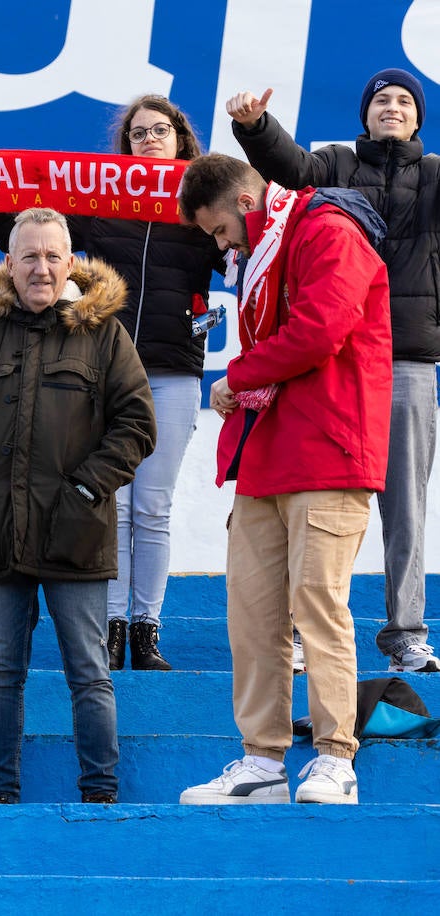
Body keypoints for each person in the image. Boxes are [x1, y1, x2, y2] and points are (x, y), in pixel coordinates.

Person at [0, 95, 223, 671]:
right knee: (113, 502)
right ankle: (114, 625)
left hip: (174, 370)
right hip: (103, 367)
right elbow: (39, 249)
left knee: (152, 505)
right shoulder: (101, 199)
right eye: (138, 132)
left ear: (181, 138)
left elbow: (245, 244)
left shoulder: (201, 206)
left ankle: (146, 627)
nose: (149, 140)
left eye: (161, 130)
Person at [177, 153, 390, 805]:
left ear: (244, 204)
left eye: (217, 231)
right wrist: (245, 384)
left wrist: (237, 376)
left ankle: (335, 759)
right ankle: (262, 760)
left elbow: (322, 329)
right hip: (270, 451)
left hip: (330, 444)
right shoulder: (270, 245)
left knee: (317, 604)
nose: (221, 247)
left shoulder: (327, 230)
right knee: (253, 612)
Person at [0, 208, 156, 804]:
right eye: (29, 255)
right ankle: (0, 794)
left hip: (76, 534)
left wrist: (86, 490)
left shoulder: (103, 335)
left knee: (89, 673)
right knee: (1, 672)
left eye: (53, 256)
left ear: (71, 263)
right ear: (8, 263)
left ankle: (100, 795)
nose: (42, 268)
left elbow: (136, 423)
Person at [227, 70, 440, 673]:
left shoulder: (434, 175)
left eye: (404, 101)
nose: (392, 108)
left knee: (406, 506)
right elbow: (288, 168)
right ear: (365, 114)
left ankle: (406, 633)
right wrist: (254, 127)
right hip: (331, 362)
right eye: (381, 100)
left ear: (418, 118)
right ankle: (298, 629)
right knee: (317, 496)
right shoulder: (337, 163)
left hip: (408, 361)